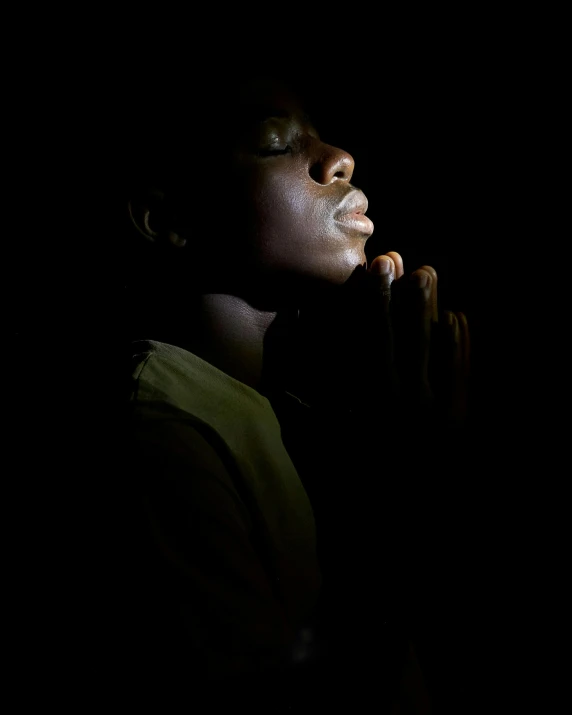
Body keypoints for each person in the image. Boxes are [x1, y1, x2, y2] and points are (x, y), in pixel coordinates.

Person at [115, 65, 470, 712]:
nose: (339, 160)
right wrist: (407, 495)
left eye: (324, 140)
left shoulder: (292, 413)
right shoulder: (161, 420)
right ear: (168, 217)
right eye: (278, 144)